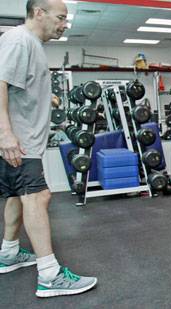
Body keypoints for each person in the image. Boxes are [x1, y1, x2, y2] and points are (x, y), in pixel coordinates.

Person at [0, 0, 97, 298]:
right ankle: (50, 275)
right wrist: (5, 133)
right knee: (39, 196)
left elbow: (20, 87)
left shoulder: (31, 45)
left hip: (25, 140)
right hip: (19, 140)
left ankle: (9, 253)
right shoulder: (19, 40)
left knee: (19, 195)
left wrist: (48, 99)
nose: (65, 23)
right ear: (38, 12)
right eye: (61, 17)